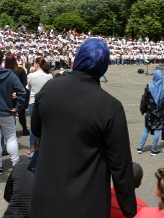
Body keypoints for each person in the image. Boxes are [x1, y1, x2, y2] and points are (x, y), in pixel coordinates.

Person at [30, 38, 136, 218]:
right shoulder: (109, 105)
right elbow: (120, 164)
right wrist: (129, 209)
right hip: (85, 203)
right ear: (104, 67)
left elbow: (37, 129)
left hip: (45, 196)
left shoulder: (49, 88)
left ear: (76, 59)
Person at [138, 70, 164, 156]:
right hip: (159, 112)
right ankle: (154, 149)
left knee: (146, 129)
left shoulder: (149, 86)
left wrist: (144, 109)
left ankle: (140, 147)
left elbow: (145, 99)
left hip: (149, 111)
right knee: (157, 130)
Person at [27, 57, 52, 154]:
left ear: (37, 63)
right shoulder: (49, 75)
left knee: (34, 126)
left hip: (34, 101)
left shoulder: (31, 75)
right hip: (46, 101)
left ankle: (32, 149)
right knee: (45, 125)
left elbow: (29, 87)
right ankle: (43, 147)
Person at [4, 54, 29, 135]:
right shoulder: (20, 70)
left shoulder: (4, 71)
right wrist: (17, 92)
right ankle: (25, 129)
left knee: (11, 114)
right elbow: (24, 83)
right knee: (21, 114)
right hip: (19, 94)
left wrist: (11, 93)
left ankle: (12, 131)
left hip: (8, 95)